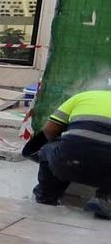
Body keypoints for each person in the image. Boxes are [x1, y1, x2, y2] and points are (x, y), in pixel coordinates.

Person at [24, 85, 111, 219]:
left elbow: (49, 131)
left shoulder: (82, 97)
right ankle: (106, 200)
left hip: (69, 165)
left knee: (49, 148)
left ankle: (46, 196)